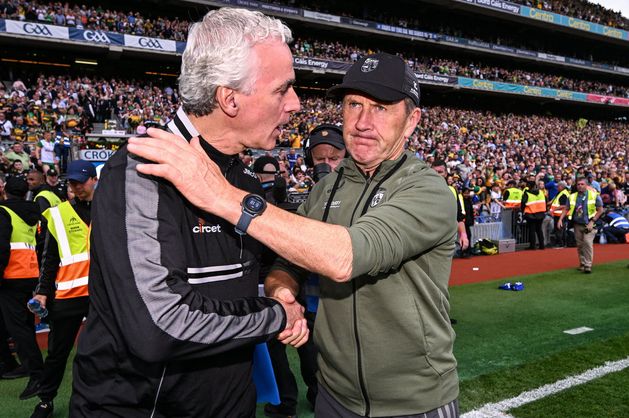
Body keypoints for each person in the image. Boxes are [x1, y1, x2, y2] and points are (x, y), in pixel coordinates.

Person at [129, 52, 460, 417]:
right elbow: (289, 262)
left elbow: (345, 257)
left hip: (414, 402)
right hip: (333, 395)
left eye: (381, 108)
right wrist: (282, 290)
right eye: (354, 105)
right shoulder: (326, 189)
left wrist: (220, 195)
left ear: (411, 121)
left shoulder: (426, 190)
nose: (363, 122)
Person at [70, 8, 306, 418]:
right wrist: (274, 316)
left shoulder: (244, 180)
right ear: (229, 99)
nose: (296, 104)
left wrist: (280, 287)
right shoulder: (141, 173)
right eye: (282, 89)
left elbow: (264, 266)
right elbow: (159, 327)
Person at [264, 123, 346, 418]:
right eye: (319, 158)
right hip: (311, 299)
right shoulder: (309, 198)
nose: (326, 164)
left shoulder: (362, 194)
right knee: (310, 356)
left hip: (344, 304)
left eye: (334, 157)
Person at [29, 160, 96, 418]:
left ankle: (102, 399)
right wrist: (42, 292)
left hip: (101, 295)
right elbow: (49, 259)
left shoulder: (109, 208)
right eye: (72, 182)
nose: (76, 186)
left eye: (81, 181)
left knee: (105, 350)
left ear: (94, 180)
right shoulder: (57, 214)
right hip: (68, 296)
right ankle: (46, 400)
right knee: (57, 353)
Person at [0, 177, 44, 398]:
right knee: (24, 325)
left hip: (10, 276)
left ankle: (37, 375)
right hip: (29, 273)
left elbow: (1, 248)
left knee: (19, 329)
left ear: (5, 191)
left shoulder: (3, 212)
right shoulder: (33, 211)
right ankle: (19, 365)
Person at [558, 177, 604, 274]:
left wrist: (592, 221)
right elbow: (566, 208)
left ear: (586, 185)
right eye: (578, 184)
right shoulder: (572, 196)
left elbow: (600, 210)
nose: (580, 186)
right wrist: (560, 219)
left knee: (587, 243)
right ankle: (582, 263)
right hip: (577, 224)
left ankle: (588, 265)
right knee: (579, 245)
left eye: (582, 184)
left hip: (590, 224)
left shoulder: (594, 195)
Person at [433, 159, 469, 253]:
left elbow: (459, 217)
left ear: (445, 173)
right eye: (434, 172)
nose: (437, 175)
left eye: (440, 172)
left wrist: (463, 235)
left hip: (446, 240)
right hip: (429, 239)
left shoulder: (452, 191)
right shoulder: (422, 190)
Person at [521, 180, 546, 250]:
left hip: (530, 214)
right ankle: (542, 245)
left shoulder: (527, 193)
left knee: (532, 230)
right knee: (539, 230)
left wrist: (523, 211)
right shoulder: (541, 192)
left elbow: (523, 203)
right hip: (541, 213)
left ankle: (533, 246)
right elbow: (545, 200)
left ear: (528, 186)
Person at [548, 181, 570, 247]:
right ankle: (561, 242)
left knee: (559, 229)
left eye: (558, 186)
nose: (557, 188)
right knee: (559, 229)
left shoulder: (563, 194)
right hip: (559, 214)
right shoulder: (561, 192)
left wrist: (553, 210)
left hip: (560, 215)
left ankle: (560, 243)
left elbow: (563, 205)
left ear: (561, 186)